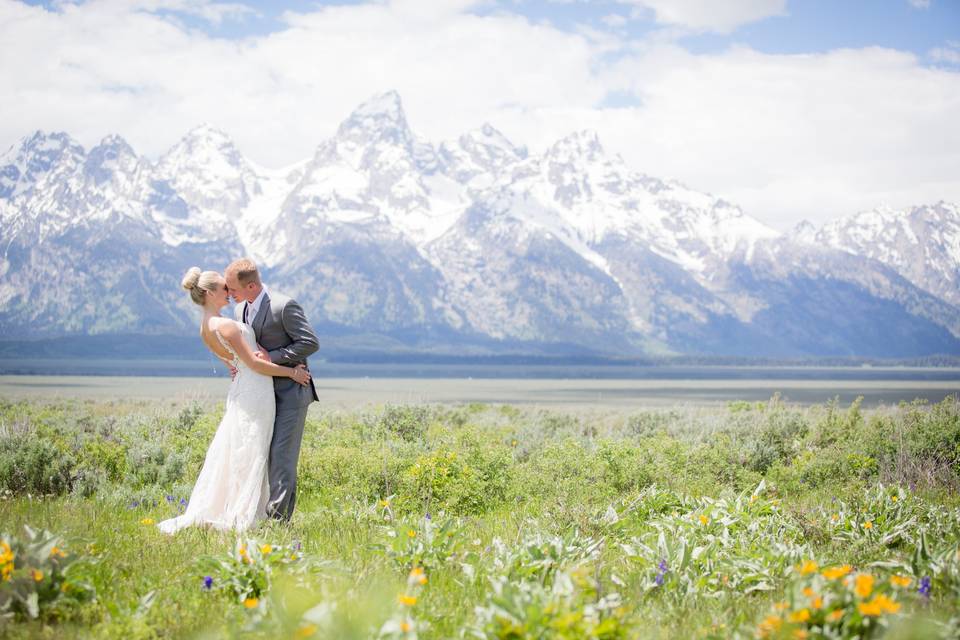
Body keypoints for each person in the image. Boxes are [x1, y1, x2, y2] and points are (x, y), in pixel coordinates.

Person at [157, 267, 311, 534]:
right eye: (223, 288)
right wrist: (292, 372)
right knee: (252, 449)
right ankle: (247, 511)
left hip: (243, 388)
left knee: (241, 447)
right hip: (255, 390)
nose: (228, 292)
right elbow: (254, 363)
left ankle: (243, 506)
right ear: (208, 293)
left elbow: (234, 362)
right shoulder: (227, 324)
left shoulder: (205, 327)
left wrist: (235, 363)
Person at [224, 258, 319, 522]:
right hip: (259, 394)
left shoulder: (283, 305)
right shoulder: (239, 310)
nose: (229, 294)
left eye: (232, 289)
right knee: (258, 452)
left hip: (291, 392)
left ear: (251, 285)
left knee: (281, 458)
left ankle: (278, 523)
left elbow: (310, 343)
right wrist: (238, 364)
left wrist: (272, 357)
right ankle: (257, 514)